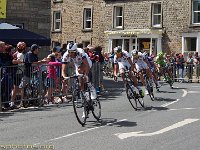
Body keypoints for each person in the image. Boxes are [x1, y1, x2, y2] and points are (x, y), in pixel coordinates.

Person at [10, 42, 26, 109]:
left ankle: (12, 102)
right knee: (16, 88)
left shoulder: (15, 54)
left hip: (16, 72)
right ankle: (12, 102)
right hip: (18, 72)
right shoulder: (20, 54)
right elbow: (21, 63)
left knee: (15, 88)